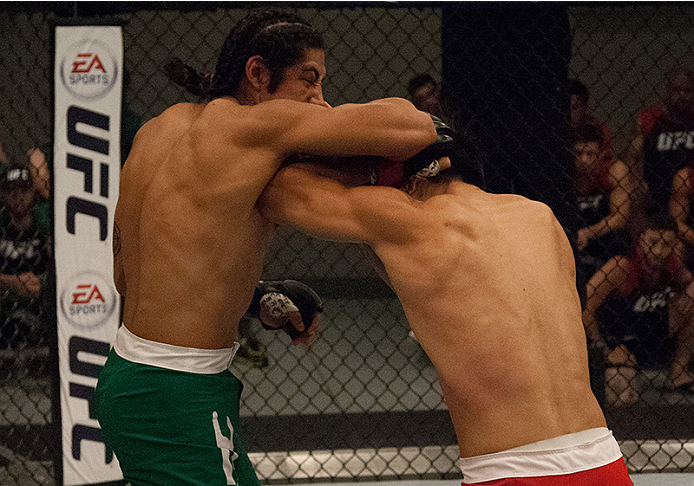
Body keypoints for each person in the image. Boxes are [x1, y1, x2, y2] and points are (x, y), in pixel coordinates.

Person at [92, 7, 436, 486]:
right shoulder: (252, 127)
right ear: (257, 74)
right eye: (309, 80)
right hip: (177, 394)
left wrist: (252, 298)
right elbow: (413, 128)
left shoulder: (157, 130)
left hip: (129, 377)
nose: (319, 99)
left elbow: (128, 274)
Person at [258, 161, 633, 483]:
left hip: (511, 471)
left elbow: (280, 192)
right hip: (603, 460)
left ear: (411, 184)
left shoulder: (410, 221)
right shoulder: (539, 217)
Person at [583, 211, 694, 406]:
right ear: (641, 240)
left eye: (666, 244)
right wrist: (604, 349)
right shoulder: (621, 266)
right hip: (617, 341)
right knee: (624, 395)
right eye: (653, 243)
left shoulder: (673, 266)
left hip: (650, 338)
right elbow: (585, 306)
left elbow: (688, 282)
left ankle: (678, 371)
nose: (659, 251)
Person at [0, 163, 52, 369]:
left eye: (23, 190)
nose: (18, 197)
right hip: (9, 300)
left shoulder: (46, 221)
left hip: (43, 298)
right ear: (3, 195)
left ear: (32, 192)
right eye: (11, 191)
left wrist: (43, 281)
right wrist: (12, 282)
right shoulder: (1, 222)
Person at [625, 65, 694, 216]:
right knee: (632, 198)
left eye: (687, 90)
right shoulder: (650, 117)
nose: (682, 95)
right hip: (655, 187)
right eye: (677, 90)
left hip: (689, 187)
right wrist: (636, 181)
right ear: (668, 91)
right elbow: (632, 155)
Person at [573, 122, 632, 282]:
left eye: (590, 153)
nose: (584, 160)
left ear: (600, 154)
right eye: (578, 153)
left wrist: (587, 233)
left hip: (600, 232)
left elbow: (620, 217)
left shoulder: (614, 170)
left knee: (618, 241)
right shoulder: (562, 172)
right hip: (571, 229)